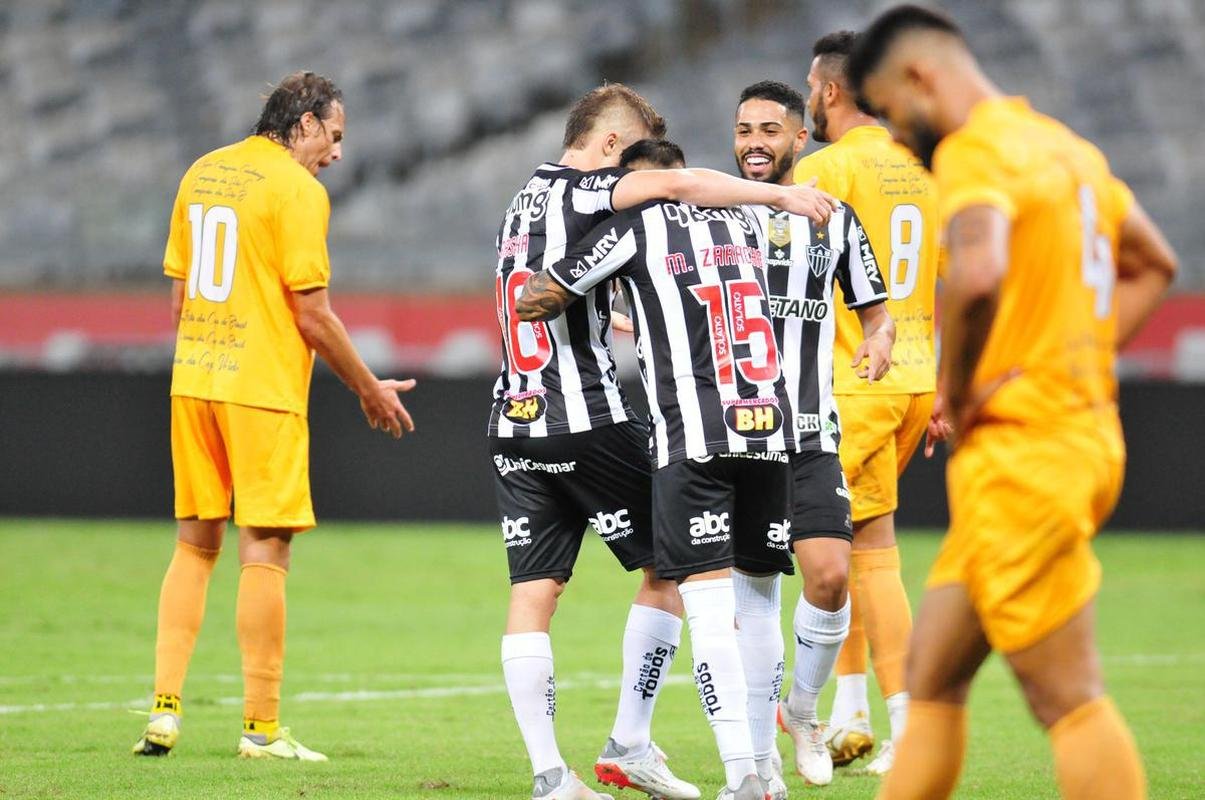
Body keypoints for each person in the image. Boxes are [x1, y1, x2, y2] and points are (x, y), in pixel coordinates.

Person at [846, 6, 1178, 800]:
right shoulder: (1067, 149)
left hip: (1025, 451)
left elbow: (979, 270)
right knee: (931, 677)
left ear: (919, 77)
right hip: (1071, 432)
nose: (900, 137)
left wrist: (958, 390)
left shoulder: (975, 149)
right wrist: (1073, 363)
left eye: (894, 112)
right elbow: (1152, 262)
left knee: (1064, 693)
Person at [492, 84, 840, 800]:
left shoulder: (527, 195)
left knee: (532, 596)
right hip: (637, 420)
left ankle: (551, 775)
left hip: (513, 417)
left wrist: (584, 297)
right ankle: (660, 748)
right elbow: (683, 199)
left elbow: (537, 296)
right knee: (703, 582)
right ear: (616, 155)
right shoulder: (689, 214)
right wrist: (775, 198)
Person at [132, 72, 417, 761]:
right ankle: (260, 729)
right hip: (259, 389)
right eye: (335, 136)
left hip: (193, 380)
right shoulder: (297, 191)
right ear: (306, 124)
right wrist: (368, 389)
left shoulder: (203, 172)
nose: (337, 154)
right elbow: (312, 316)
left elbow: (177, 301)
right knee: (265, 550)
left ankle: (164, 710)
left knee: (194, 546)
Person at [732, 81, 894, 789]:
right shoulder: (707, 215)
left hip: (808, 429)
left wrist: (880, 341)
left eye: (770, 128)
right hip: (733, 440)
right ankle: (759, 752)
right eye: (743, 130)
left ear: (802, 139)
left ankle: (802, 711)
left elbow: (876, 310)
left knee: (830, 577)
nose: (754, 142)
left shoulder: (835, 220)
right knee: (755, 595)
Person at [792, 30, 943, 775]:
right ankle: (871, 716)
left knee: (822, 548)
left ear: (827, 92)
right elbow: (935, 282)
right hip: (912, 377)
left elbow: (794, 280)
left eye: (808, 91)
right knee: (865, 552)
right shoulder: (922, 169)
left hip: (850, 379)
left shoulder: (823, 168)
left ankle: (865, 715)